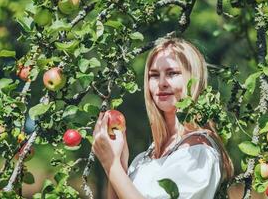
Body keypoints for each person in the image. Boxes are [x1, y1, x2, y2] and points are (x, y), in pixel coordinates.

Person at [92, 38, 234, 199]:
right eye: (154, 75)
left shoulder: (197, 151)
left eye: (172, 73)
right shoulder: (144, 158)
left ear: (193, 78)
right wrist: (119, 161)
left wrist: (110, 164)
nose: (161, 83)